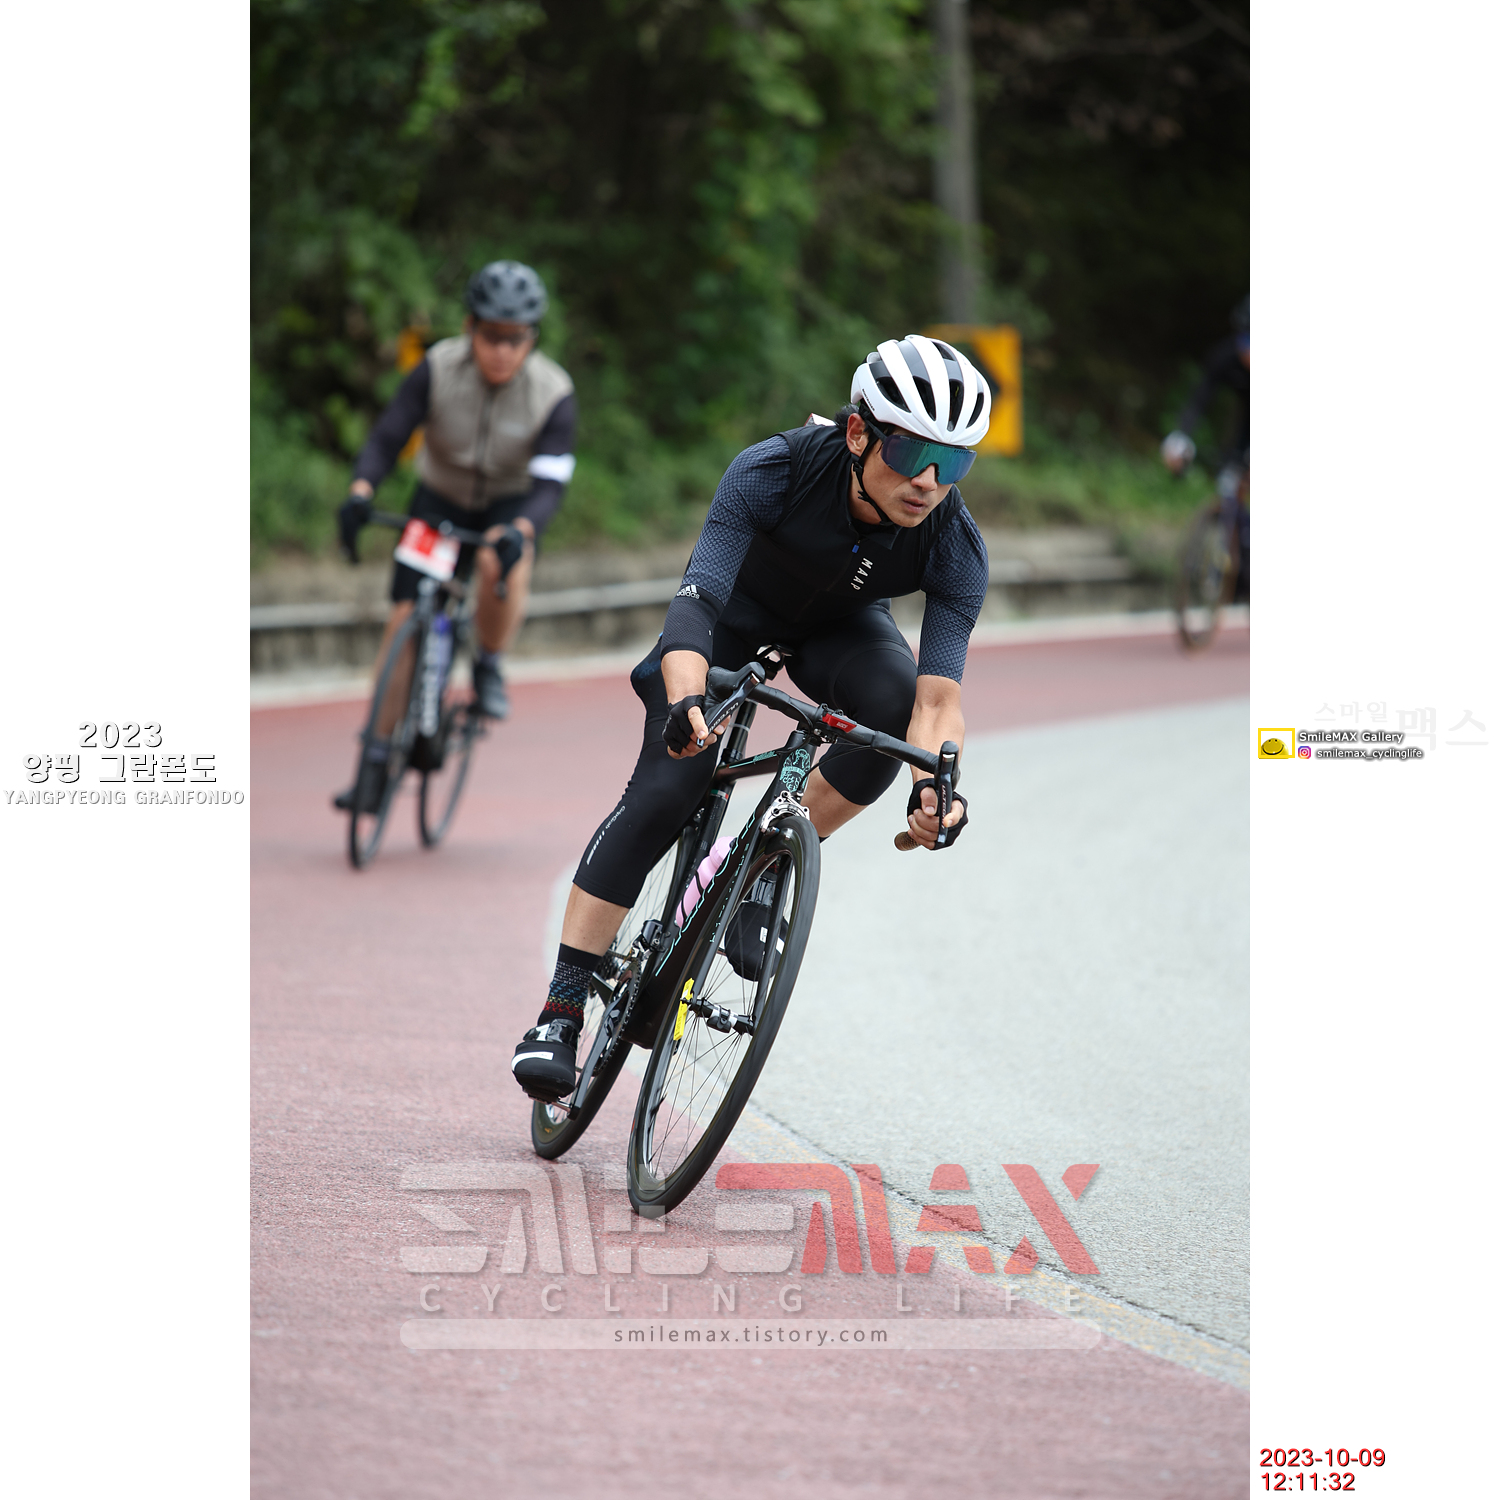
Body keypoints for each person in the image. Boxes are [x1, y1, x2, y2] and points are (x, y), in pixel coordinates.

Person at [512, 334, 992, 1100]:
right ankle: (561, 1009)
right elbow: (694, 605)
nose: (930, 481)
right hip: (730, 618)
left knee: (891, 713)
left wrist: (936, 784)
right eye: (911, 453)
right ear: (859, 432)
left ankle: (764, 867)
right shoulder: (776, 469)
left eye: (954, 462)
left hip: (841, 631)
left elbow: (937, 703)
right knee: (668, 789)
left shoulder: (954, 542)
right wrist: (685, 702)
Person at [333, 260, 577, 812]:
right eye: (491, 336)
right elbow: (388, 435)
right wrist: (361, 491)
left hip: (508, 507)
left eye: (515, 339)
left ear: (531, 338)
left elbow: (550, 485)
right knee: (403, 620)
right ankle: (374, 761)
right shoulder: (438, 367)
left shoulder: (553, 391)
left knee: (500, 559)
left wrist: (521, 529)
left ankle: (488, 661)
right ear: (470, 328)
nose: (502, 351)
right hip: (438, 502)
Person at [1161, 295, 1249, 597]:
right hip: (1244, 421)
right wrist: (1180, 437)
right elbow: (1199, 398)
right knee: (1231, 479)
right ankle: (1235, 559)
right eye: (1246, 340)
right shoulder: (1225, 356)